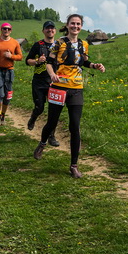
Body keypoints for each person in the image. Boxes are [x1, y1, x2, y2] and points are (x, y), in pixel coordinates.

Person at [33, 14, 105, 178]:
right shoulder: (59, 43)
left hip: (76, 88)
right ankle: (42, 143)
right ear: (67, 25)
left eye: (78, 24)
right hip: (59, 88)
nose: (75, 26)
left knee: (75, 126)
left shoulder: (83, 44)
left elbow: (84, 62)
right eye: (73, 23)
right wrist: (52, 74)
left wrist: (95, 65)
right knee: (52, 122)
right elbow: (49, 63)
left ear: (81, 26)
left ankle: (74, 165)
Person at [25, 20, 59, 147]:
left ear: (55, 30)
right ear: (43, 31)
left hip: (55, 82)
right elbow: (27, 61)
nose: (50, 30)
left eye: (52, 28)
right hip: (39, 82)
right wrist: (37, 61)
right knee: (39, 107)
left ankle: (51, 136)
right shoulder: (38, 45)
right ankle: (33, 117)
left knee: (54, 111)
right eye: (47, 28)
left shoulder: (59, 45)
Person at [0, 22, 23, 127]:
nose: (6, 30)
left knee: (7, 96)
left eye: (8, 29)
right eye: (4, 28)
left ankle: (3, 115)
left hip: (9, 71)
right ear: (1, 30)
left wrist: (11, 56)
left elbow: (20, 56)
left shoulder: (15, 42)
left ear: (11, 31)